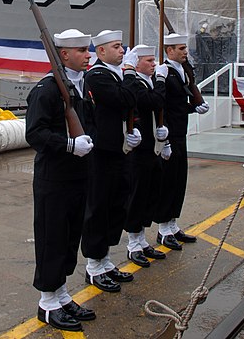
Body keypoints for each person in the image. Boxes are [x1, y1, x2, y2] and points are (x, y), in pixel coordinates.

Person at [25, 29, 95, 332]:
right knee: (52, 239)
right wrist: (69, 145)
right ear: (63, 54)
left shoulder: (79, 86)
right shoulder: (48, 90)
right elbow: (35, 134)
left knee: (69, 239)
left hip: (77, 175)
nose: (88, 55)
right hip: (53, 178)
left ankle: (62, 294)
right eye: (81, 50)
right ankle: (48, 303)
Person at [81, 29, 140, 292]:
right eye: (116, 46)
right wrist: (129, 72)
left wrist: (133, 128)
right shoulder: (97, 76)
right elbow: (125, 98)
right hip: (102, 153)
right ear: (101, 51)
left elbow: (131, 106)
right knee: (99, 207)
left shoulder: (115, 75)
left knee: (117, 205)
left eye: (122, 46)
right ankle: (93, 265)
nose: (122, 50)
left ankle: (104, 259)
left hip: (120, 151)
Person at [155, 33, 210, 250]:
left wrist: (194, 107)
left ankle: (173, 223)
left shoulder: (182, 70)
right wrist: (165, 138)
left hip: (181, 131)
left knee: (179, 180)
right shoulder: (165, 72)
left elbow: (180, 103)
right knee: (167, 182)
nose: (185, 52)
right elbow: (163, 107)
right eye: (180, 48)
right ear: (169, 51)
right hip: (170, 134)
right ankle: (163, 229)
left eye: (185, 48)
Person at [124, 45, 168, 267]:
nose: (154, 64)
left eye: (154, 60)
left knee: (150, 194)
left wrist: (165, 135)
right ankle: (133, 244)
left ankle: (141, 239)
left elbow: (161, 109)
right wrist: (161, 81)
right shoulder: (136, 84)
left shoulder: (147, 82)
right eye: (149, 60)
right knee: (137, 196)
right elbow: (153, 102)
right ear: (137, 62)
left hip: (153, 148)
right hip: (138, 152)